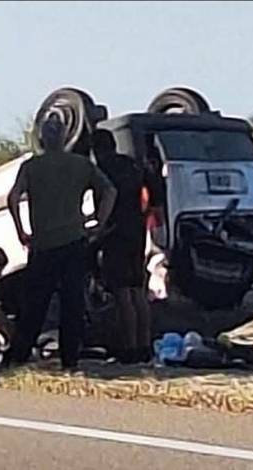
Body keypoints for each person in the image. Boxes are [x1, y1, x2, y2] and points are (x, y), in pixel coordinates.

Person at [5, 116, 117, 369]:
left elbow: (12, 198)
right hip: (74, 241)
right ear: (66, 137)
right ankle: (70, 360)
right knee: (73, 302)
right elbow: (110, 191)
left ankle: (18, 355)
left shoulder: (32, 166)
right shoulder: (81, 164)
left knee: (35, 303)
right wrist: (98, 221)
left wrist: (21, 231)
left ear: (42, 138)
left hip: (43, 244)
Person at [91, 129, 154, 364]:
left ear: (97, 149)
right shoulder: (132, 165)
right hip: (136, 231)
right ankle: (144, 346)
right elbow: (150, 193)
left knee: (121, 292)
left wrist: (98, 226)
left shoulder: (102, 168)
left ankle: (128, 349)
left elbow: (107, 195)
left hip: (114, 232)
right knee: (138, 290)